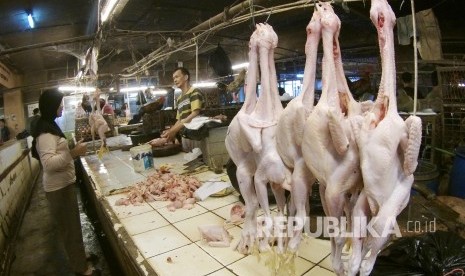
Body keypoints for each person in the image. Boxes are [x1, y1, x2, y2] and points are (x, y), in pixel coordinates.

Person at [31, 89, 100, 276]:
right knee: (70, 229)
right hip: (58, 188)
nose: (62, 107)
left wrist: (71, 149)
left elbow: (56, 154)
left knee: (73, 226)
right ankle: (82, 269)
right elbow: (49, 164)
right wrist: (73, 153)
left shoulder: (50, 125)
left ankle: (79, 256)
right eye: (59, 104)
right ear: (51, 106)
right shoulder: (45, 133)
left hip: (63, 184)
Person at [157, 67, 205, 152]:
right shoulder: (179, 99)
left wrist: (174, 130)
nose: (175, 80)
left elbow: (195, 114)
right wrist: (170, 132)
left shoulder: (194, 92)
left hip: (197, 135)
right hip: (186, 135)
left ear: (186, 77)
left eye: (177, 77)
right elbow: (180, 119)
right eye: (174, 78)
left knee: (199, 159)